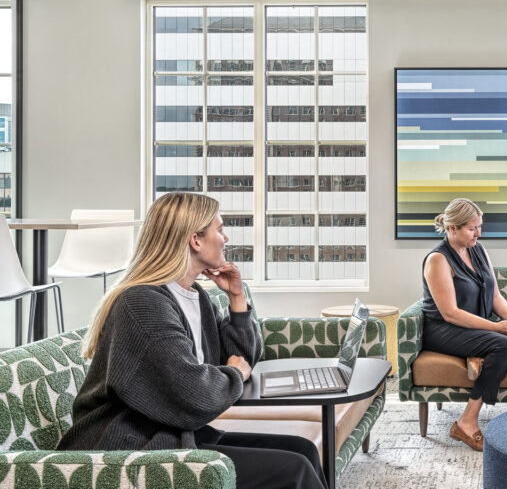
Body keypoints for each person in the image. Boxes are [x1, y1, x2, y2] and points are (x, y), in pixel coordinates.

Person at [58, 193, 327, 489]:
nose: (226, 238)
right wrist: (235, 373)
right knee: (294, 469)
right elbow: (196, 393)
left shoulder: (195, 297)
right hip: (131, 449)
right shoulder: (143, 303)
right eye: (220, 229)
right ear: (195, 240)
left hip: (175, 433)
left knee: (303, 449)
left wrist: (237, 299)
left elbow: (243, 358)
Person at [421, 198, 507, 451]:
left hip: (476, 328)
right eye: (472, 228)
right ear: (452, 228)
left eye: (480, 226)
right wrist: (496, 328)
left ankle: (482, 356)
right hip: (445, 330)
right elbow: (450, 314)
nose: (478, 233)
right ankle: (466, 422)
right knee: (503, 345)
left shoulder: (478, 249)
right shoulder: (438, 260)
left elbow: (495, 295)